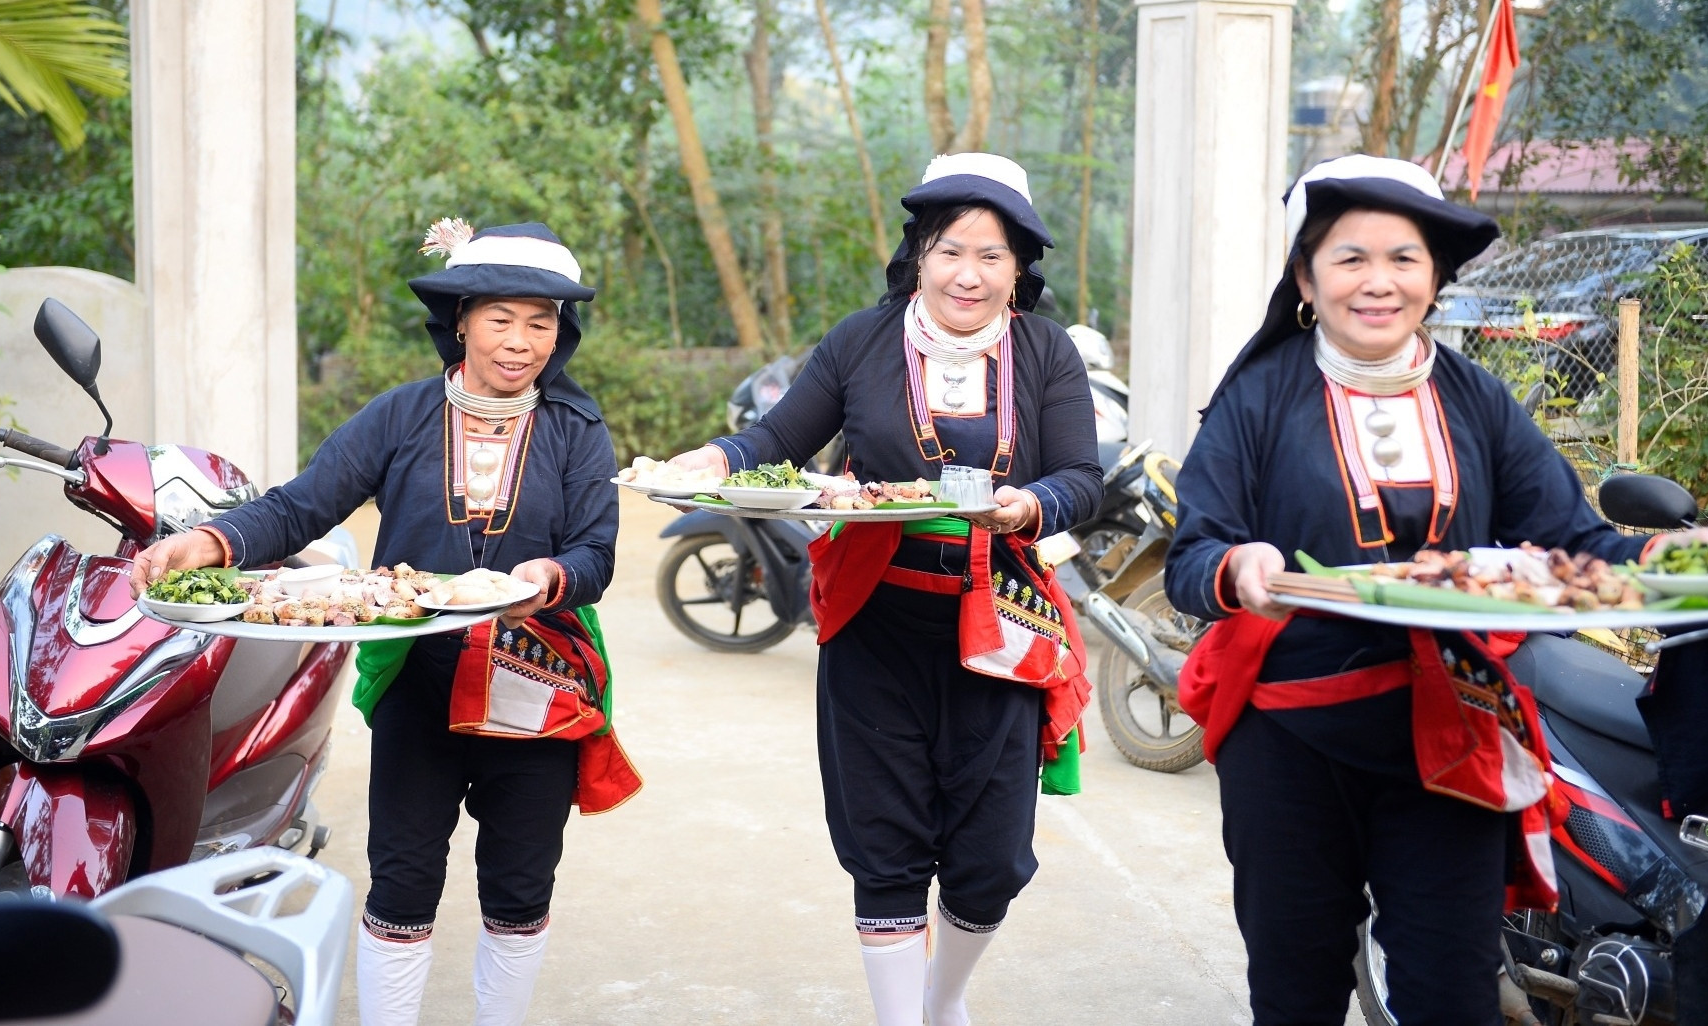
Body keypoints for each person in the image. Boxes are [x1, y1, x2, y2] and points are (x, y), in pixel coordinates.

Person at [1160, 155, 1708, 1026]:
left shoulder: (1475, 398)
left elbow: (1573, 541)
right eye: (1349, 259)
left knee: (1451, 993)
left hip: (1448, 725)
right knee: (1295, 989)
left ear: (1434, 277)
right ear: (1306, 276)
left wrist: (1679, 559)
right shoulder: (1257, 397)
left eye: (1402, 259)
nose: (1376, 282)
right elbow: (1191, 556)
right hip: (1290, 737)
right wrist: (1240, 569)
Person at [128, 220, 641, 1026]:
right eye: (502, 319)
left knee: (519, 887)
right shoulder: (399, 417)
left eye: (541, 322)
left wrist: (549, 576)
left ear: (561, 332)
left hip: (539, 688)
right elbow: (303, 504)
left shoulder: (577, 430)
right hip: (419, 682)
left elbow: (596, 552)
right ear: (462, 319)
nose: (521, 342)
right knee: (402, 882)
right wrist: (210, 540)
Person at [669, 153, 1101, 1026]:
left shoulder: (1044, 351)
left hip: (999, 621)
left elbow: (1082, 478)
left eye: (989, 255)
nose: (967, 274)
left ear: (1019, 267)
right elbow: (777, 436)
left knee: (992, 862)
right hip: (876, 621)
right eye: (949, 251)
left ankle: (944, 1000)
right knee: (885, 846)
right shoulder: (862, 342)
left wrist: (1029, 504)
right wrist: (713, 459)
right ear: (917, 255)